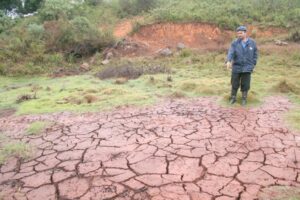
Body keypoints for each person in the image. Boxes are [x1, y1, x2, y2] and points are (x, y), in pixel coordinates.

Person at [226, 25, 258, 106]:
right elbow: (231, 52)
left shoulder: (252, 43)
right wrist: (228, 60)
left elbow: (255, 54)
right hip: (237, 66)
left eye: (241, 33)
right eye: (238, 33)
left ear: (245, 33)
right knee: (234, 83)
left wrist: (253, 64)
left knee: (246, 84)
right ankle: (233, 98)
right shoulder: (235, 42)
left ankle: (244, 99)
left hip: (247, 67)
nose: (239, 35)